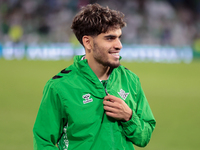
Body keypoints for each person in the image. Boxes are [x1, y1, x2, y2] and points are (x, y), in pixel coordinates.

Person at [33, 3, 156, 150]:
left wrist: (129, 117)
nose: (119, 45)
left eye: (119, 37)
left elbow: (144, 137)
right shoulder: (60, 86)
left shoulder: (130, 80)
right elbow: (43, 142)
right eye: (110, 38)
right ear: (88, 42)